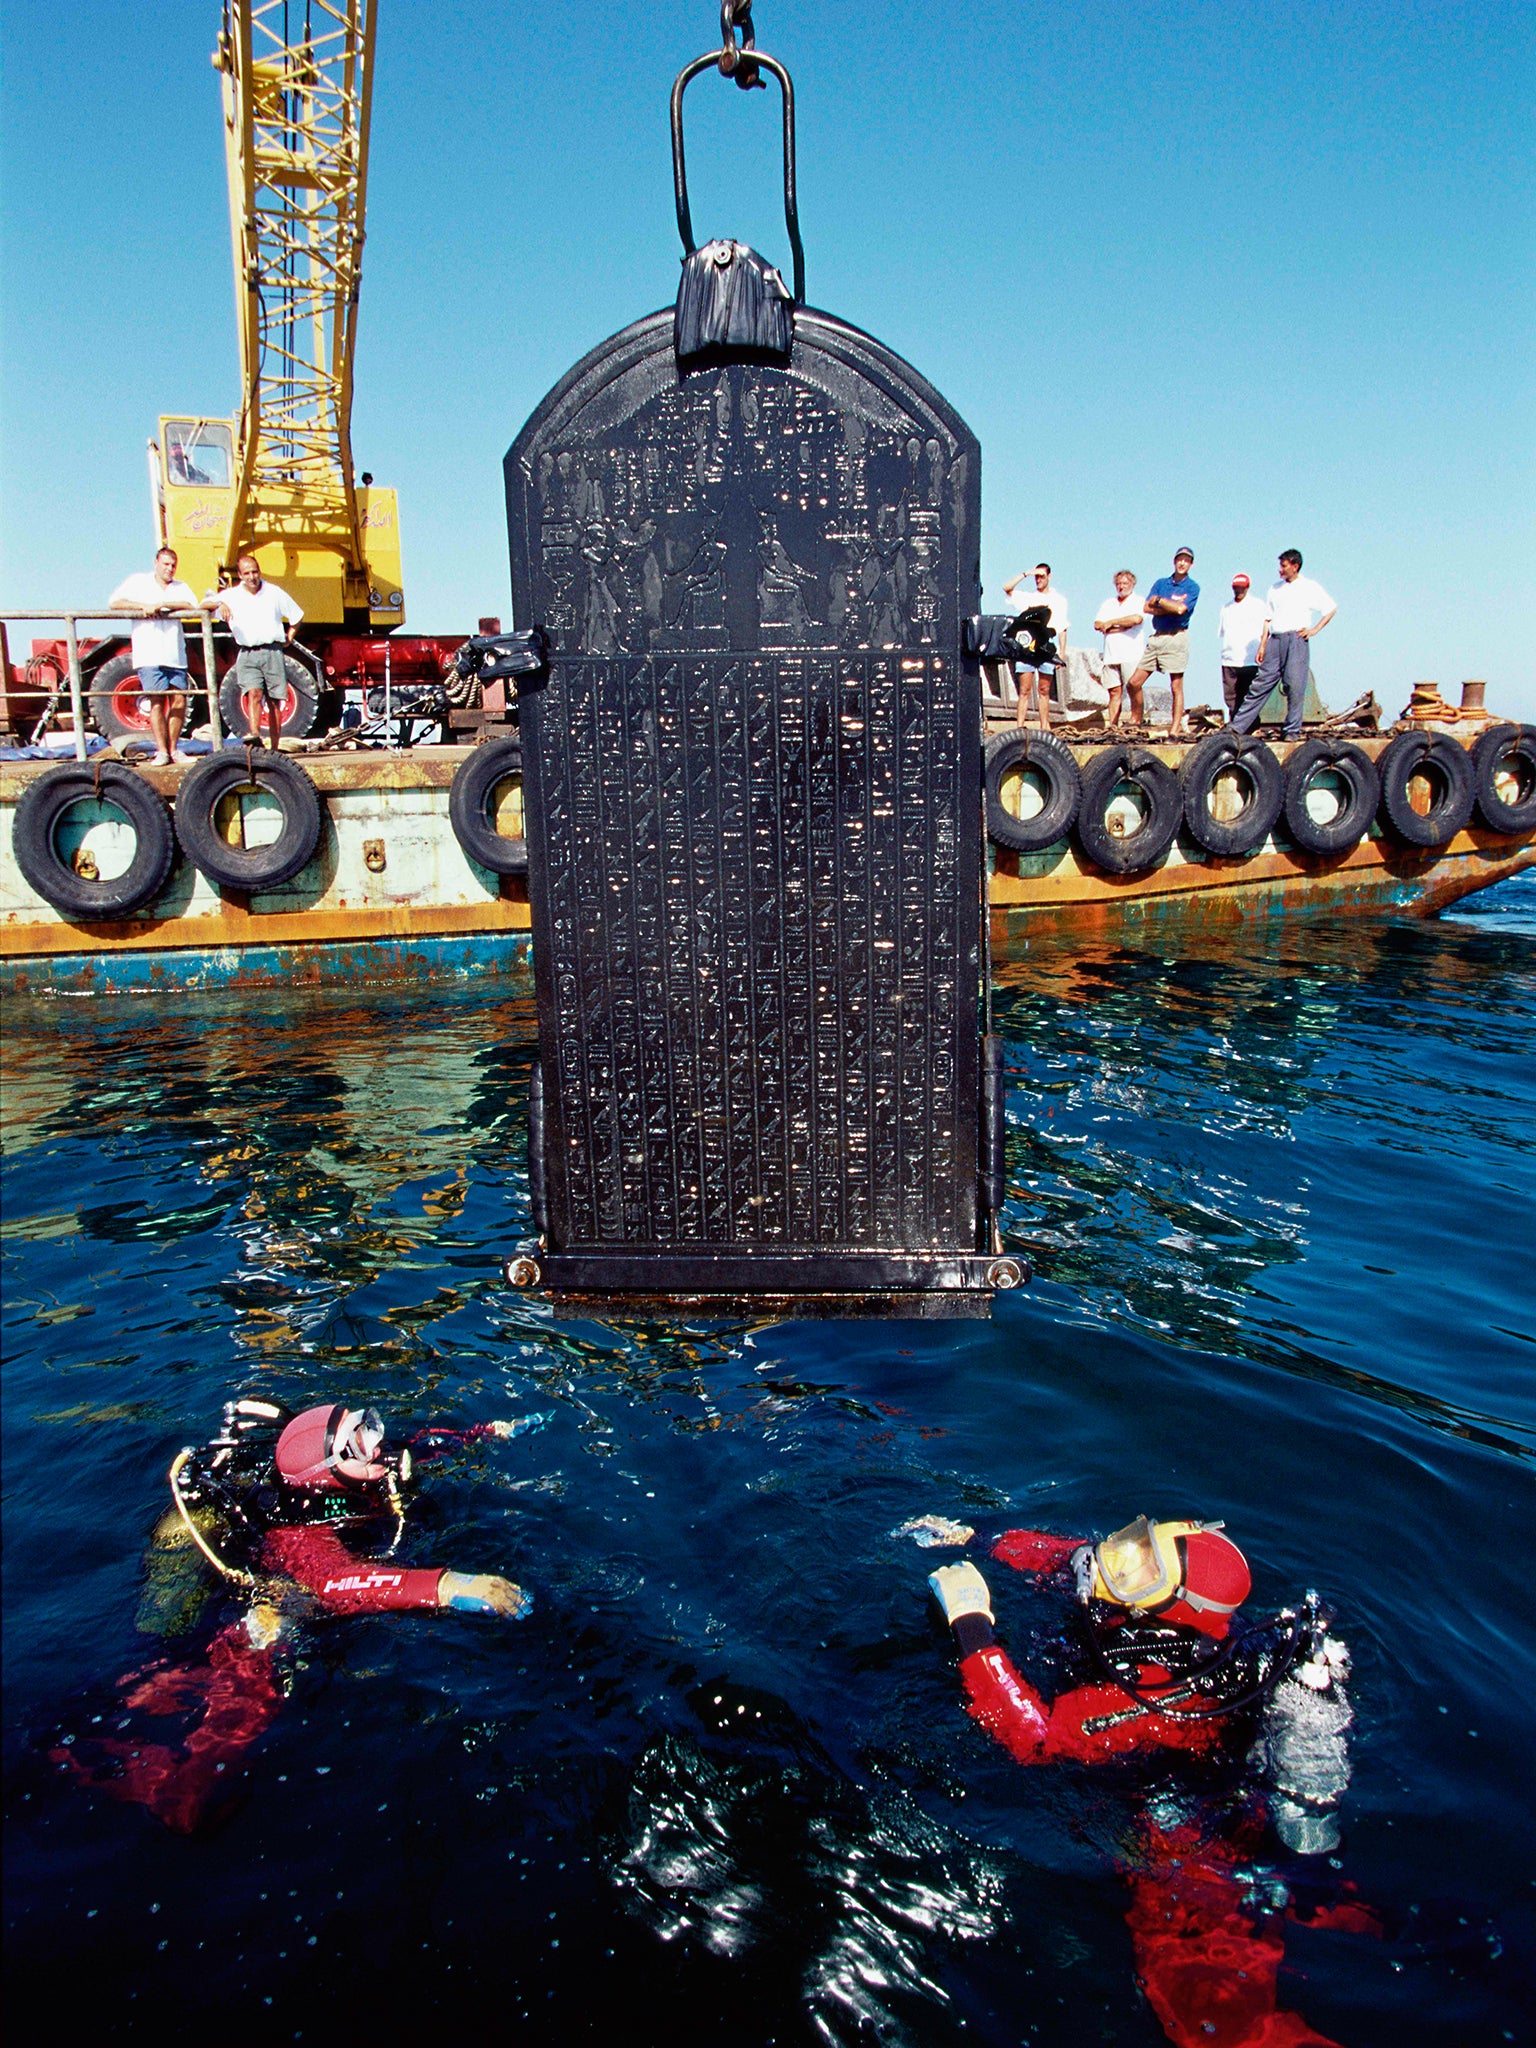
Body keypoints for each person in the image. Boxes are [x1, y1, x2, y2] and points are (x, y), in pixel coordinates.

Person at [924, 1511, 1363, 2048]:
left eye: (1139, 1567)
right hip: (1204, 1776)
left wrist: (972, 1628)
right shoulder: (1157, 1614)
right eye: (1135, 1547)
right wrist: (980, 1534)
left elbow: (1035, 1741)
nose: (1115, 1560)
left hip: (1189, 1830)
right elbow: (1076, 1563)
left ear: (1176, 1611)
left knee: (1210, 2011)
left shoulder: (1142, 1700)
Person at [54, 1395, 536, 1833]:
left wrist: (489, 1431)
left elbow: (422, 1445)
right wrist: (449, 1585)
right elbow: (338, 1585)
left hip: (298, 1558)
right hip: (272, 1599)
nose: (376, 1442)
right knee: (257, 1663)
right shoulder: (302, 1535)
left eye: (368, 1425)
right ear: (328, 1474)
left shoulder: (362, 1471)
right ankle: (171, 1782)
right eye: (358, 1441)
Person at [202, 552, 304, 751]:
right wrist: (220, 603)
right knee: (253, 693)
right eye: (247, 573)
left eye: (254, 572)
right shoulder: (231, 595)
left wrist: (290, 636)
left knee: (275, 701)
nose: (252, 577)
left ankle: (274, 747)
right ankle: (255, 736)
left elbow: (297, 614)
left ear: (259, 571)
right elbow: (203, 605)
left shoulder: (274, 592)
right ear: (240, 575)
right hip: (247, 652)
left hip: (272, 650)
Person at [108, 546, 200, 764]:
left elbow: (192, 605)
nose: (170, 569)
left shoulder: (180, 587)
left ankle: (175, 749)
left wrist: (164, 604)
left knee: (179, 700)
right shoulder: (138, 582)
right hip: (149, 653)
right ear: (156, 563)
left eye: (173, 565)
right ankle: (162, 751)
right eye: (166, 564)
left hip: (175, 654)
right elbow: (114, 603)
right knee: (156, 701)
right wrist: (143, 606)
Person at [1231, 552, 1336, 740]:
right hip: (1275, 639)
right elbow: (1268, 618)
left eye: (1284, 566)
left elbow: (1330, 608)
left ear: (1295, 566)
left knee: (1295, 686)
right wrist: (1263, 644)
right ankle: (1237, 726)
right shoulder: (1274, 589)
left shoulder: (1308, 587)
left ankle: (1292, 731)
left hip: (1295, 639)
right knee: (1260, 684)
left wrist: (1314, 630)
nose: (1280, 570)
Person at [1124, 548, 1200, 737]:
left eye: (1186, 561)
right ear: (1174, 561)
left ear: (1191, 564)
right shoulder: (1161, 583)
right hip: (1157, 637)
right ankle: (1136, 718)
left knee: (1176, 686)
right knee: (1133, 682)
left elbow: (1181, 609)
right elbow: (1146, 607)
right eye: (1179, 560)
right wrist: (1168, 606)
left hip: (1177, 637)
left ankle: (1174, 729)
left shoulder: (1192, 587)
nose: (1182, 563)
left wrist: (1160, 602)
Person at [1002, 563, 1069, 729]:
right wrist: (1027, 573)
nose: (1038, 580)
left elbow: (1062, 628)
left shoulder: (1059, 600)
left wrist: (1062, 653)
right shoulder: (1028, 597)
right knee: (1024, 690)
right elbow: (1006, 587)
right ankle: (1020, 725)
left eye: (1042, 576)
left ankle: (1045, 726)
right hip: (1027, 646)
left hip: (1046, 646)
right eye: (1036, 577)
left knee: (1044, 690)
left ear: (1049, 577)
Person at [1093, 569, 1150, 728]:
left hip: (1131, 654)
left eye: (1125, 583)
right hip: (1111, 654)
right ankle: (1113, 725)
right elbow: (1097, 623)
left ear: (1132, 584)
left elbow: (1136, 619)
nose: (1121, 586)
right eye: (1118, 584)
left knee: (1133, 688)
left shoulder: (1138, 601)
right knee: (1114, 692)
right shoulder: (1109, 603)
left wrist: (1111, 623)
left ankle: (1136, 720)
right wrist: (1118, 626)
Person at [1217, 572, 1269, 714]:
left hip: (1250, 659)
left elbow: (1267, 627)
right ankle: (1235, 725)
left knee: (1249, 696)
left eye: (1242, 588)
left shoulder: (1258, 605)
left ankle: (1250, 727)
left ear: (1247, 587)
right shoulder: (1226, 608)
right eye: (1236, 588)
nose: (1239, 591)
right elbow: (1222, 632)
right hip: (1229, 658)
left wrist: (1262, 647)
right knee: (1231, 698)